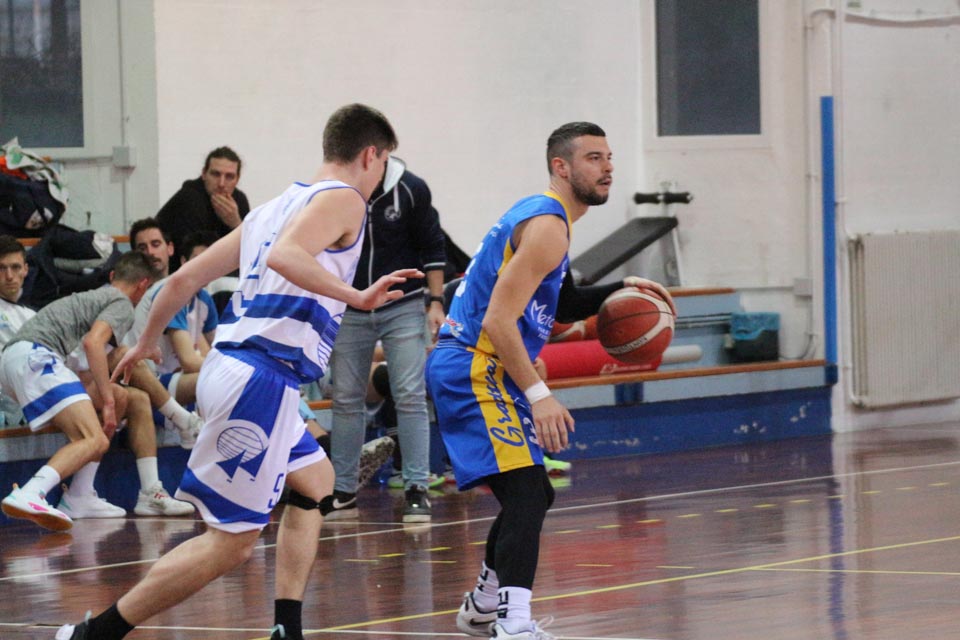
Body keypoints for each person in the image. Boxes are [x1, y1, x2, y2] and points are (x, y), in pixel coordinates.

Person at [56, 103, 420, 640]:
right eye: (384, 163)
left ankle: (286, 628)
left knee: (316, 483)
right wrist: (356, 296)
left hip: (238, 368)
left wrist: (146, 341)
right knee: (232, 542)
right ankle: (95, 634)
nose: (381, 175)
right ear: (372, 155)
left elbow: (180, 282)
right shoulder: (344, 199)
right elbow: (287, 256)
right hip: (259, 378)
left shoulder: (271, 208)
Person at [426, 122, 674, 640]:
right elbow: (498, 319)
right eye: (593, 158)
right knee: (526, 493)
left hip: (483, 364)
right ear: (561, 167)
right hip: (473, 364)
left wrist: (624, 287)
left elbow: (561, 304)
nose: (608, 167)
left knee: (535, 490)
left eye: (609, 157)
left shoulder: (548, 220)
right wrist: (540, 396)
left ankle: (484, 606)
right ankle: (512, 624)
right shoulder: (547, 226)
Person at [0, 251, 194, 530]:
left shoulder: (92, 299)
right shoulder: (121, 303)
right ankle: (31, 492)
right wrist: (107, 400)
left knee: (123, 397)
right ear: (143, 285)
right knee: (95, 438)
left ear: (113, 275)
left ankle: (80, 495)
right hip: (36, 357)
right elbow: (94, 344)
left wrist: (111, 397)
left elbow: (92, 358)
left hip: (21, 361)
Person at [325, 158, 445, 523]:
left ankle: (416, 488)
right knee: (346, 398)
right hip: (350, 305)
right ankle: (343, 491)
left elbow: (433, 248)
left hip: (403, 304)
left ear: (377, 154)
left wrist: (436, 302)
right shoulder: (335, 189)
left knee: (410, 394)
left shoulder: (411, 188)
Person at [156, 146, 250, 269]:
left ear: (237, 179)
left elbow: (252, 248)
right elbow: (194, 252)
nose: (221, 184)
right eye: (215, 174)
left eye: (229, 176)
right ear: (204, 174)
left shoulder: (239, 200)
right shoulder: (188, 198)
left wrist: (236, 224)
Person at [0, 235, 35, 427]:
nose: (9, 276)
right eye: (1, 268)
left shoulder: (32, 316)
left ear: (25, 270)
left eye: (15, 267)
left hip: (28, 400)